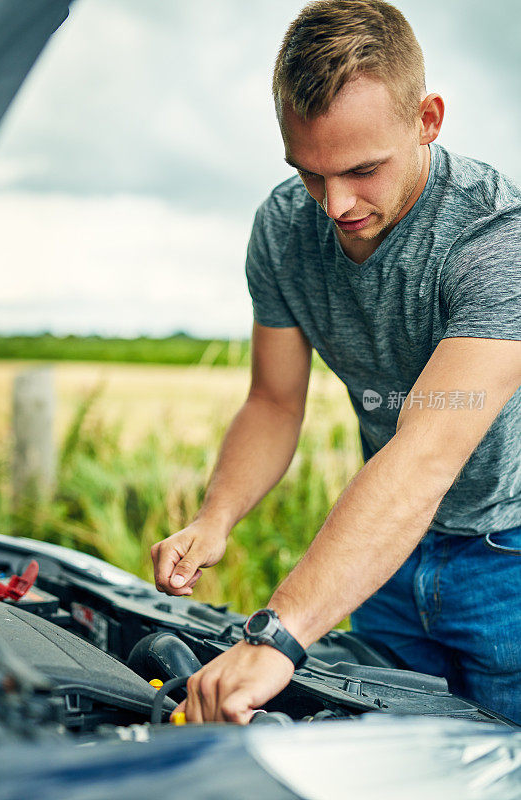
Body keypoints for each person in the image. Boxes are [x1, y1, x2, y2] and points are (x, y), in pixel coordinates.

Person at [151, 0, 521, 724]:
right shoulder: (285, 228)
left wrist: (278, 634)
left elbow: (427, 452)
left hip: (505, 559)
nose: (334, 204)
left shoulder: (495, 240)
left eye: (361, 170)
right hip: (379, 553)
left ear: (428, 119)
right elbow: (274, 401)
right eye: (310, 173)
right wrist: (216, 517)